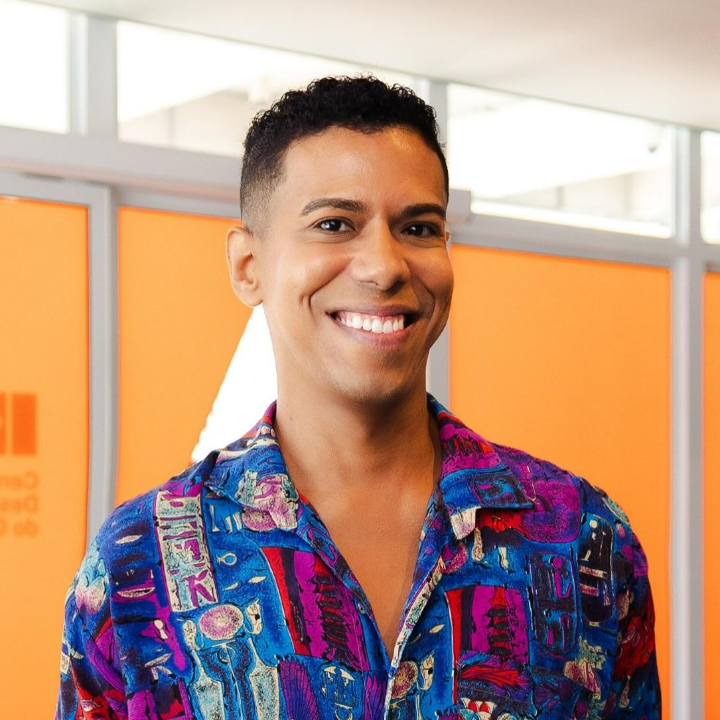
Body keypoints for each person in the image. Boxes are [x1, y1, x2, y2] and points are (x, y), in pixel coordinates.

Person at [56, 76, 660, 720]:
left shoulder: (582, 538)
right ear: (248, 266)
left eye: (419, 228)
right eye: (334, 224)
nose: (384, 265)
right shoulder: (139, 561)